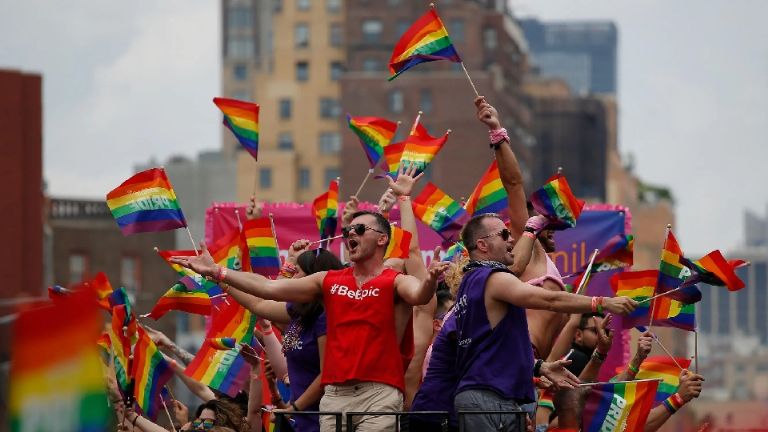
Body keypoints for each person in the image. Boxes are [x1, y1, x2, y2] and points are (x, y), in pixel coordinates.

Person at [171, 166, 449, 432]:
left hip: (379, 393)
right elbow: (267, 290)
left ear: (381, 240)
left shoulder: (395, 281)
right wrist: (218, 272)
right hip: (335, 396)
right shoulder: (328, 279)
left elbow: (420, 293)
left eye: (361, 230)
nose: (351, 233)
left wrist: (430, 277)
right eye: (349, 229)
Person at [453, 213, 638, 432]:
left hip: (492, 397)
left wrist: (541, 366)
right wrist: (603, 302)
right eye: (504, 235)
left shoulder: (472, 281)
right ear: (482, 245)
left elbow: (493, 350)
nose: (511, 239)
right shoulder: (491, 278)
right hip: (489, 399)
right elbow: (550, 300)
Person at [475, 96, 571, 361]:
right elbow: (514, 184)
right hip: (510, 357)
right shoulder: (528, 247)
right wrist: (497, 132)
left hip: (530, 371)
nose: (554, 225)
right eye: (548, 219)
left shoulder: (548, 266)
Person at [226, 240, 344, 432]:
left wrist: (293, 408)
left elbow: (327, 374)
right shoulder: (298, 314)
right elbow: (261, 304)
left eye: (297, 272)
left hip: (322, 418)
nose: (291, 277)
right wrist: (223, 281)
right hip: (302, 419)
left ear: (313, 279)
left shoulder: (325, 317)